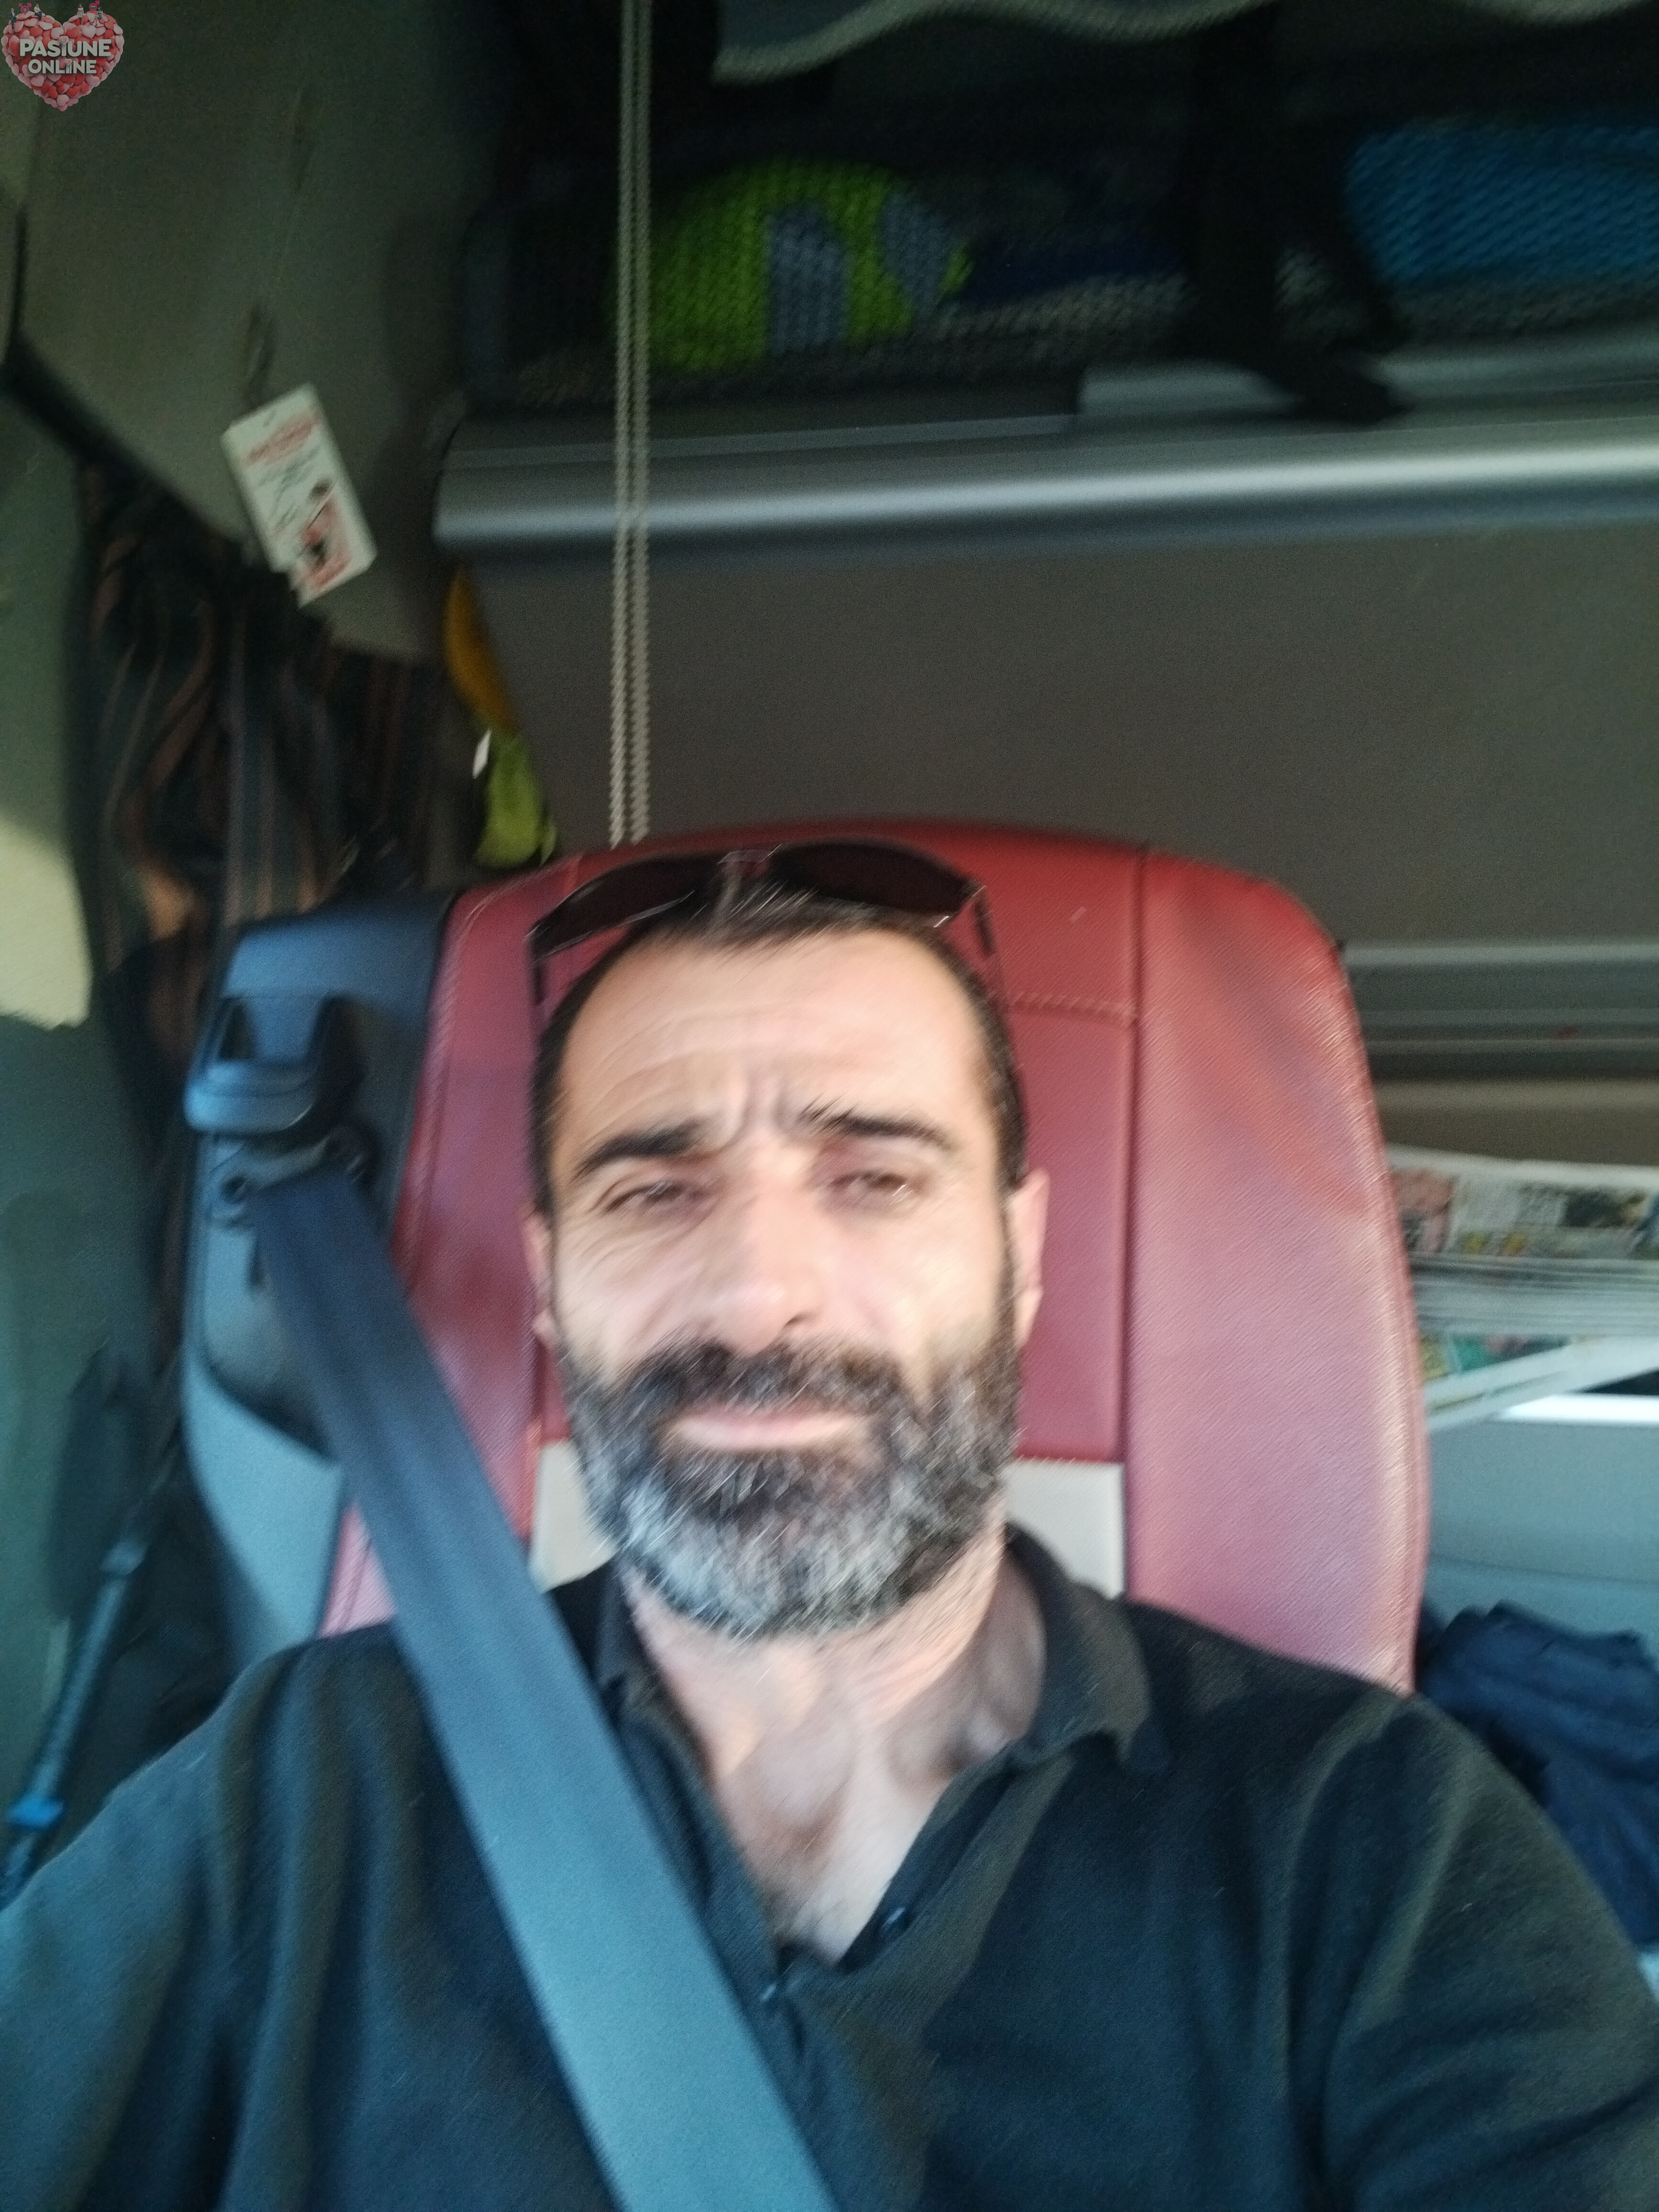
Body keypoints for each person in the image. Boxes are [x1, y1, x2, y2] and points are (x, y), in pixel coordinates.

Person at [3, 844, 1658, 2211]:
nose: (757, 1294)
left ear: (1018, 1260)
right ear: (554, 1283)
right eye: (653, 1190)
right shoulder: (299, 1782)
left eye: (873, 1178)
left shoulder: (1369, 1842)